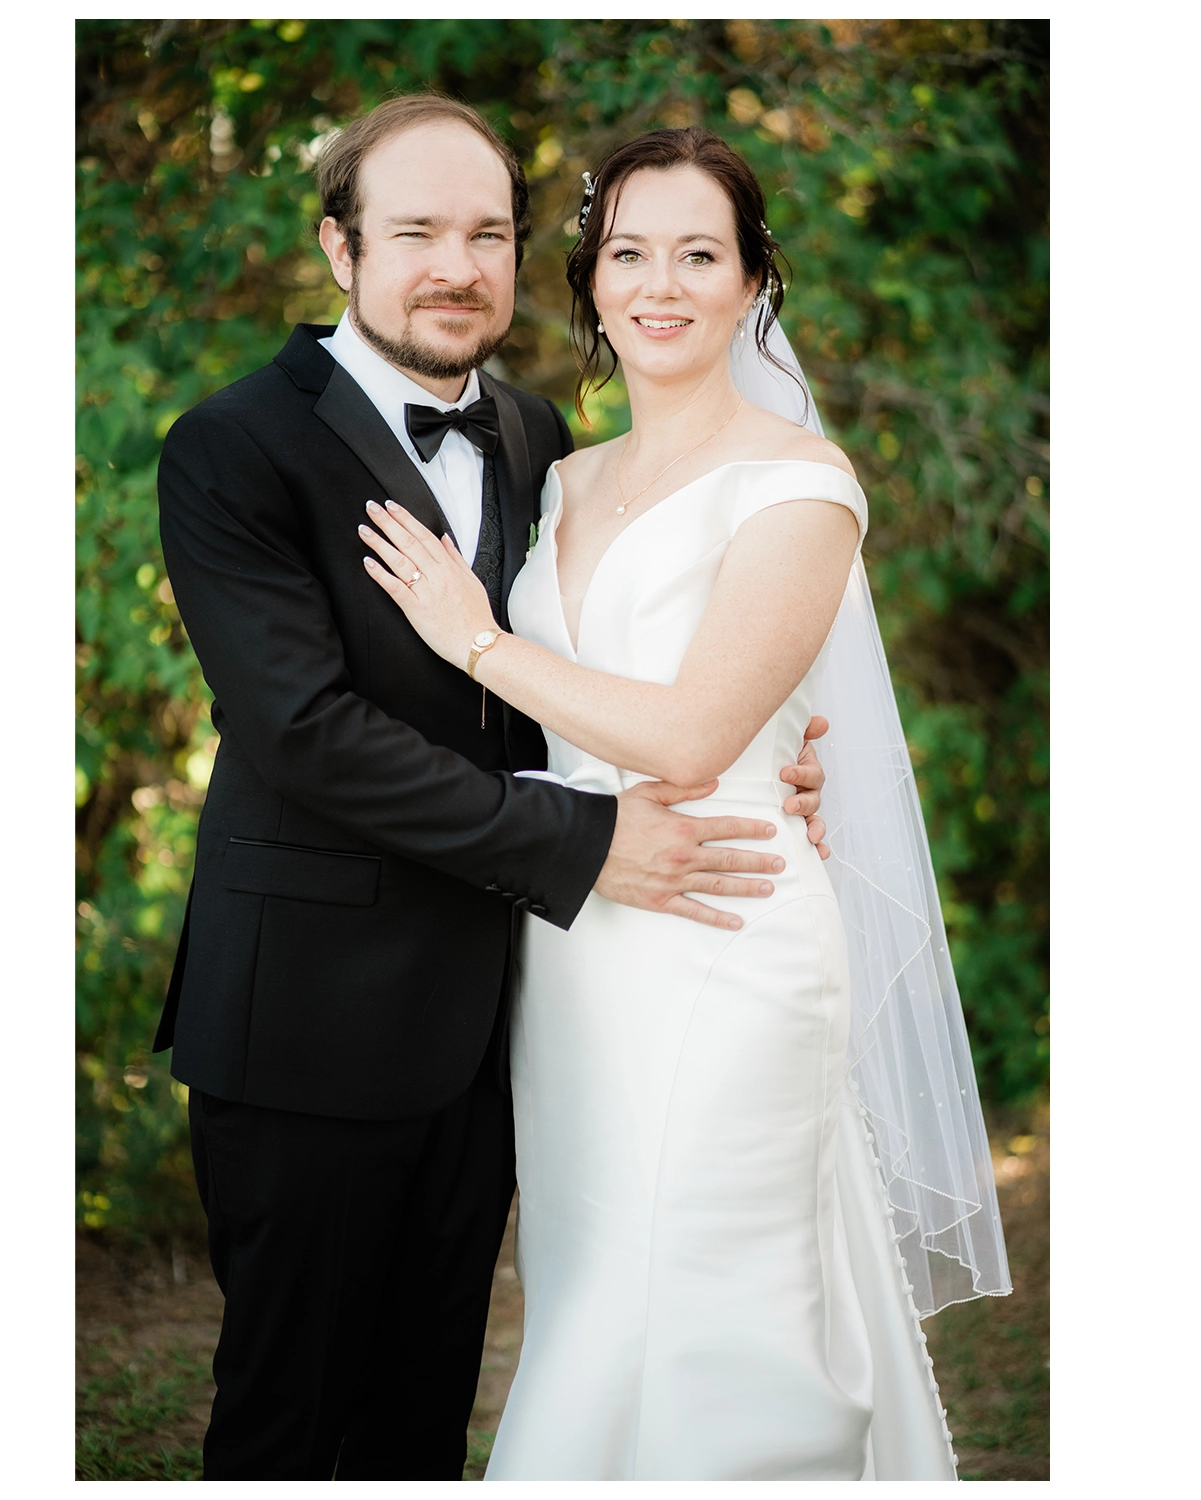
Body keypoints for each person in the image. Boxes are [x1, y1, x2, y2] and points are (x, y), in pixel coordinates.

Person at [155, 96, 832, 1480]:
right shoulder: (231, 447)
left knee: (426, 1419)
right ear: (340, 247)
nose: (454, 266)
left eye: (485, 234)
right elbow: (310, 736)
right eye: (414, 232)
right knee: (290, 1418)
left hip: (497, 1024)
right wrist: (589, 839)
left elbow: (584, 673)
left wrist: (770, 761)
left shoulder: (540, 445)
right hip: (309, 1023)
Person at [356, 127, 1011, 1479]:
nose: (662, 283)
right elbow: (550, 728)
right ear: (593, 281)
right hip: (579, 939)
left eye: (699, 254)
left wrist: (472, 635)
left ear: (754, 279)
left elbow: (703, 732)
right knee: (596, 1297)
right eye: (629, 252)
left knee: (716, 1311)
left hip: (732, 925)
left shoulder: (803, 485)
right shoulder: (561, 476)